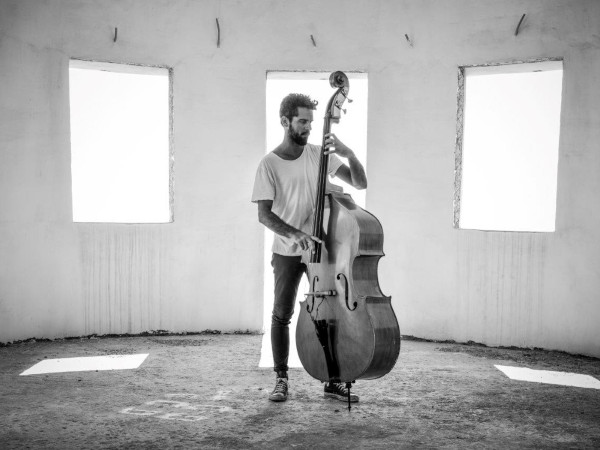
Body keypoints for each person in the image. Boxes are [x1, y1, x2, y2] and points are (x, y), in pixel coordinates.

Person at [251, 93, 368, 403]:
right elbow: (264, 214)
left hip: (323, 251)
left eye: (311, 122)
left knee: (329, 313)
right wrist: (294, 234)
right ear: (285, 121)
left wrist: (349, 153)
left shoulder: (319, 155)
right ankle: (281, 378)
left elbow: (360, 183)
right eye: (302, 121)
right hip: (287, 251)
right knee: (282, 314)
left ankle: (333, 380)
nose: (308, 128)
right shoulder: (269, 164)